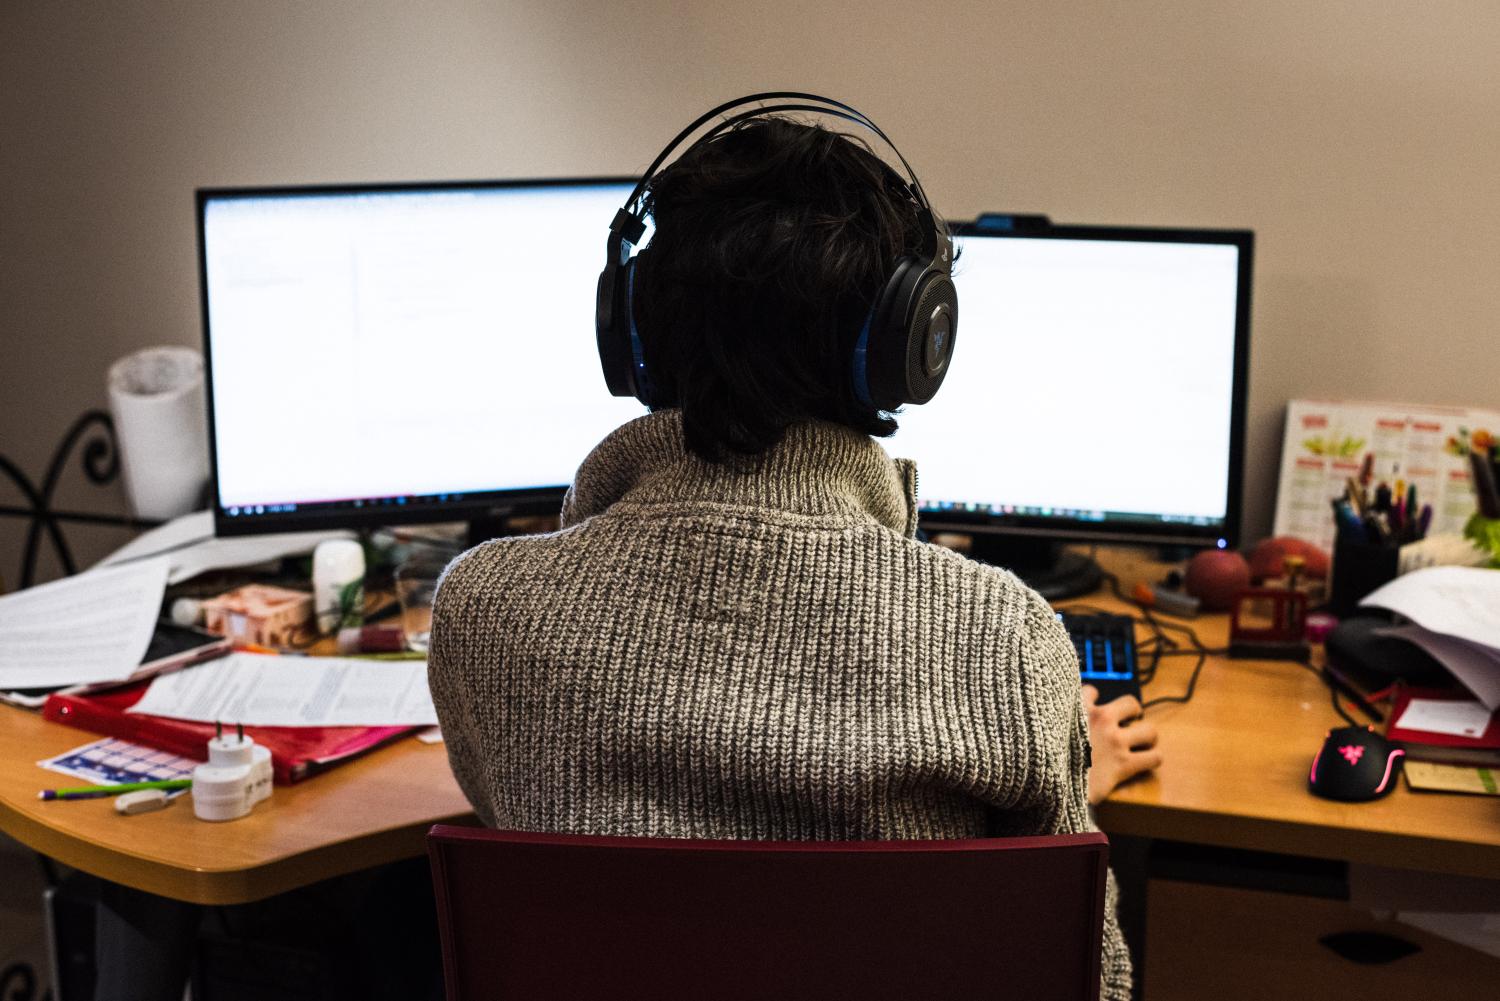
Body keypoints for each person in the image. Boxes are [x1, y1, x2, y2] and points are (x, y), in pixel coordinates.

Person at [429, 106, 1155, 1001]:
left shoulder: (481, 606)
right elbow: (1090, 979)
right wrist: (1069, 777)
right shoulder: (1002, 637)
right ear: (909, 348)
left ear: (633, 336)